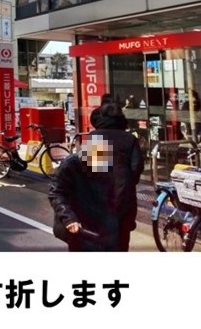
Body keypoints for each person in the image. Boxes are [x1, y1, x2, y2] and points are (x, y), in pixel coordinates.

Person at [49, 106, 144, 252]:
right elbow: (136, 169)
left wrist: (70, 217)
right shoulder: (129, 140)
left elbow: (62, 188)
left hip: (89, 222)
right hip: (120, 215)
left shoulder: (92, 142)